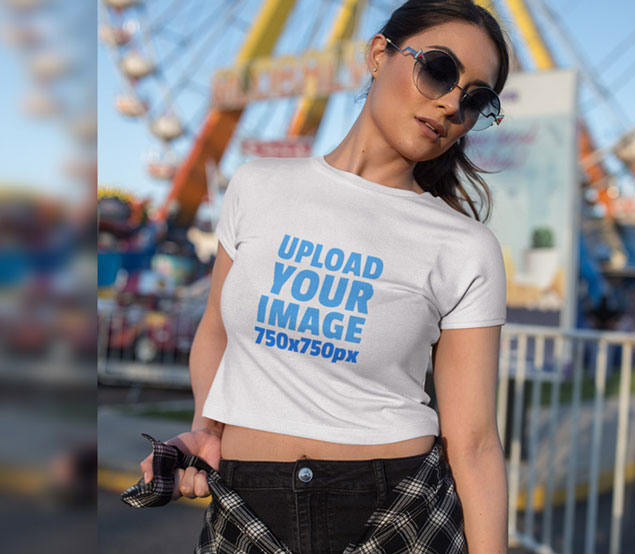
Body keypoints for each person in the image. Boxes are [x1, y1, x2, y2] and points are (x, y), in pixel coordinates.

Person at [139, 1, 511, 552]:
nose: (452, 103)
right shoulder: (257, 186)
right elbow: (215, 329)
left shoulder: (466, 247)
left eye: (477, 99)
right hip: (246, 505)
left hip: (397, 513)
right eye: (438, 69)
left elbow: (475, 442)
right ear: (379, 54)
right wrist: (207, 429)